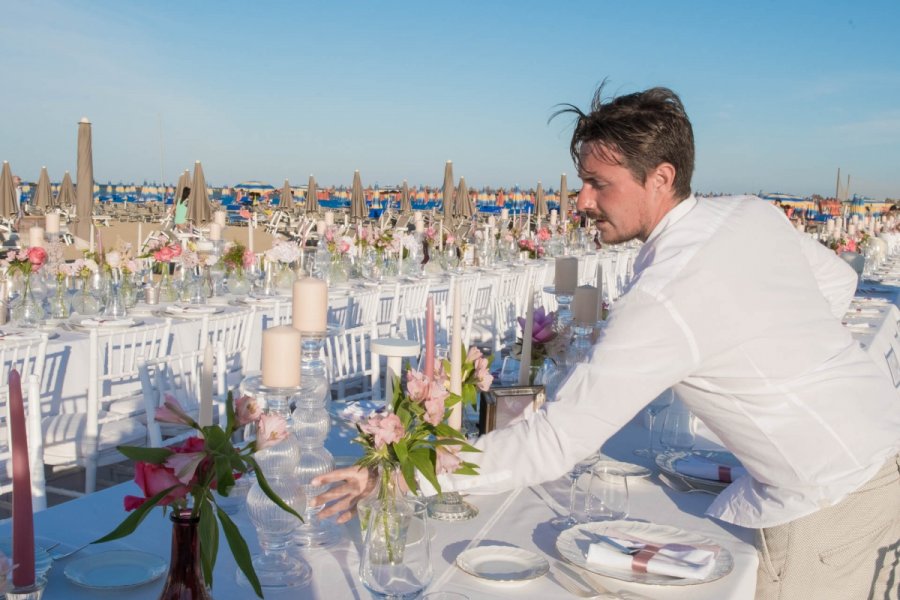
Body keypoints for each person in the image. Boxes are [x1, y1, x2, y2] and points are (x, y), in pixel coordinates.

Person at [312, 83, 900, 599]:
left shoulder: (669, 293)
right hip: (877, 450)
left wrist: (397, 472)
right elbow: (837, 280)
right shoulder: (749, 213)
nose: (582, 201)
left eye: (598, 183)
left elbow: (553, 443)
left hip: (830, 498)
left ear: (662, 177)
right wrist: (781, 359)